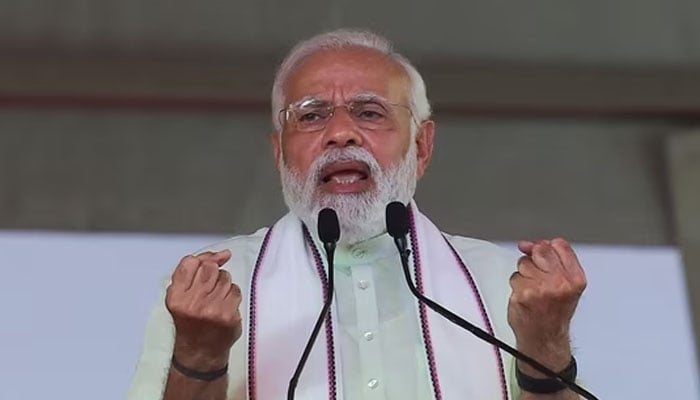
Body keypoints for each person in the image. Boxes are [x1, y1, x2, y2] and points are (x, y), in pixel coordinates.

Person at [127, 28, 588, 400]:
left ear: (422, 146)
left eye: (369, 112)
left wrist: (544, 346)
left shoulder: (503, 286)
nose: (341, 133)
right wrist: (199, 354)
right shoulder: (212, 289)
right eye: (310, 116)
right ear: (278, 153)